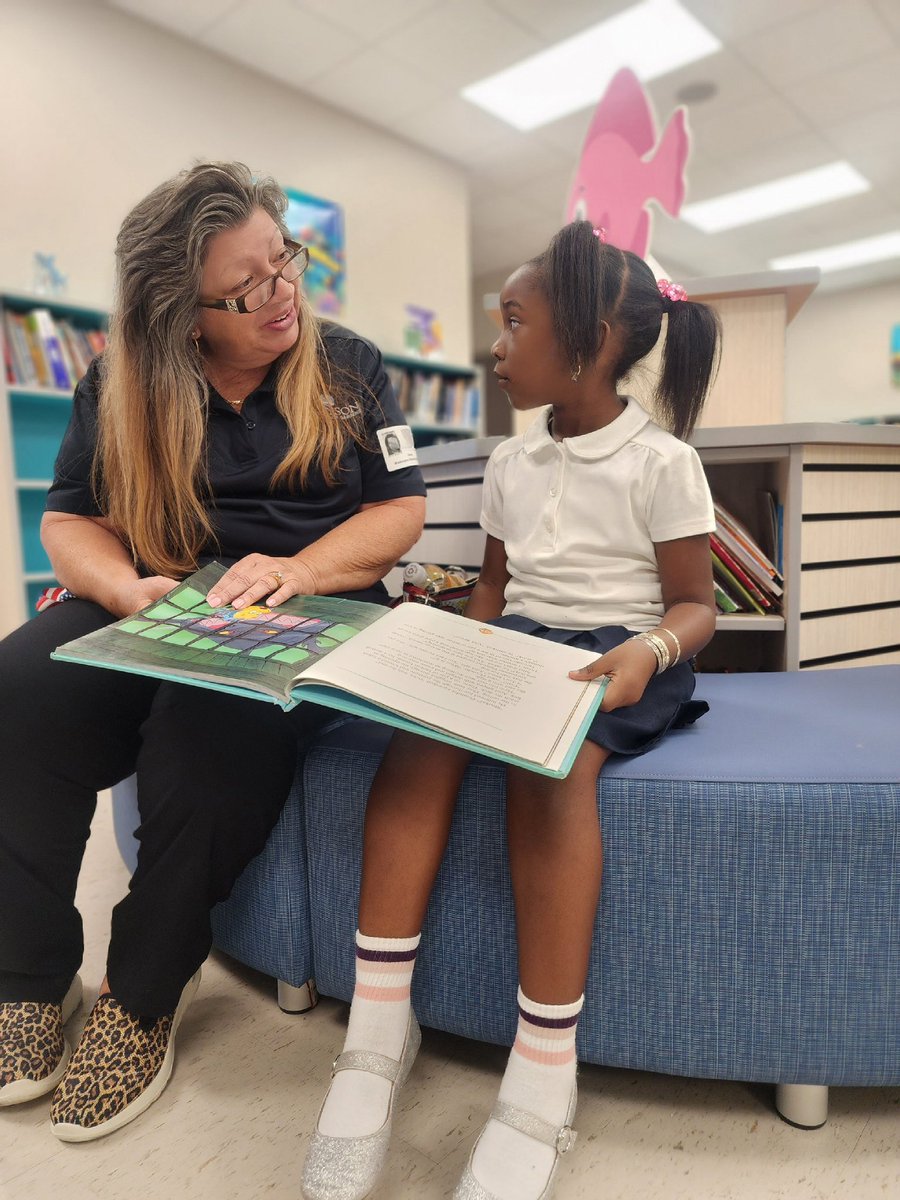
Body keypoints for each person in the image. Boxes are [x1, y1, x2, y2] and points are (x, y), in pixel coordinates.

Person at [0, 162, 426, 1141]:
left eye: (287, 264)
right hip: (157, 595)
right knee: (17, 687)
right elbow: (71, 519)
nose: (285, 295)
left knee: (207, 721)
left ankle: (141, 993)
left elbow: (398, 508)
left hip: (307, 606)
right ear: (182, 317)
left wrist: (302, 571)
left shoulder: (353, 363)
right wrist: (120, 588)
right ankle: (25, 976)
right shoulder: (120, 381)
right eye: (250, 288)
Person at [300, 220, 722, 1200]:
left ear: (593, 343)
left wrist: (646, 651)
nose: (495, 345)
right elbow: (494, 589)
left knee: (555, 766)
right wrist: (440, 647)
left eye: (515, 322)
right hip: (522, 643)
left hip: (621, 655)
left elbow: (696, 608)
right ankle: (375, 1032)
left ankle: (543, 1072)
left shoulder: (663, 463)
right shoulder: (509, 465)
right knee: (417, 748)